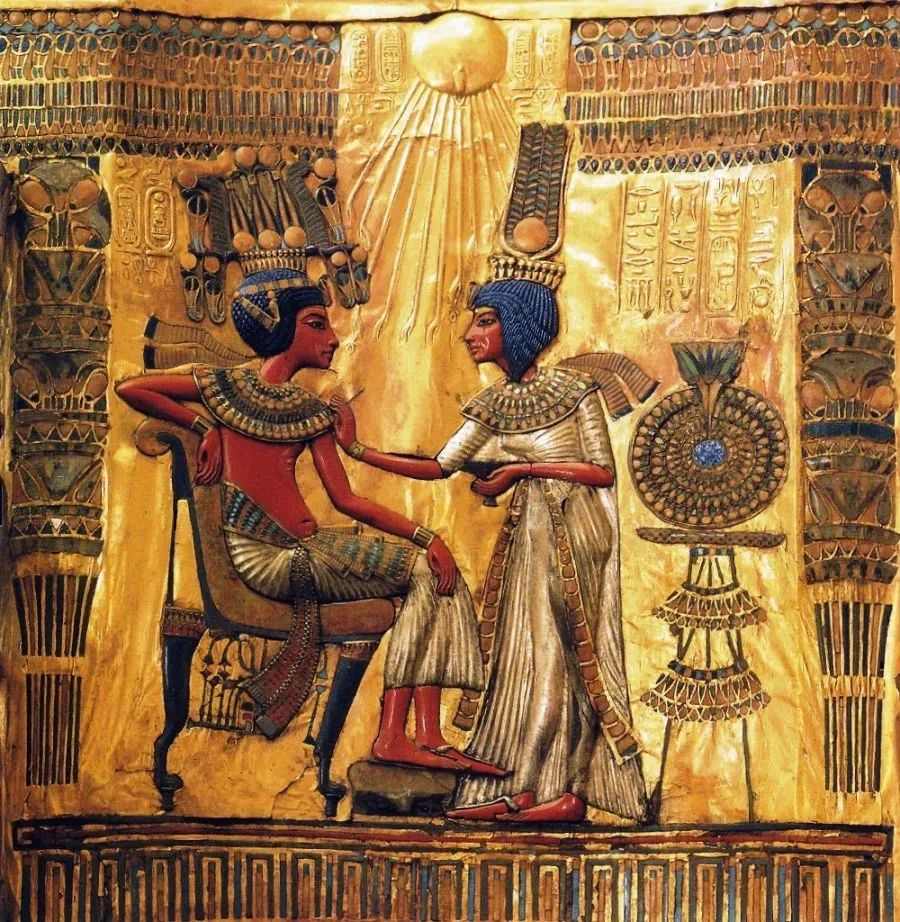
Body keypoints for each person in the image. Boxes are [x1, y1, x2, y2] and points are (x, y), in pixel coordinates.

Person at [116, 267, 505, 778]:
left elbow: (346, 499)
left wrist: (423, 532)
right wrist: (201, 423)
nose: (333, 338)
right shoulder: (221, 385)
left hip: (306, 548)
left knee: (433, 573)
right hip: (270, 559)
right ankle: (402, 737)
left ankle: (420, 736)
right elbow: (132, 387)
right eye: (317, 324)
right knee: (429, 575)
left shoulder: (309, 409)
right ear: (279, 326)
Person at [331, 276, 649, 823]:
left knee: (562, 659)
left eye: (484, 321)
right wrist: (358, 450)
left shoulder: (576, 390)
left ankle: (566, 793)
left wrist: (521, 471)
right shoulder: (494, 403)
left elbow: (600, 471)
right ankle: (525, 787)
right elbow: (439, 466)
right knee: (522, 658)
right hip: (530, 534)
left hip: (576, 532)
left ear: (517, 326)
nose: (469, 334)